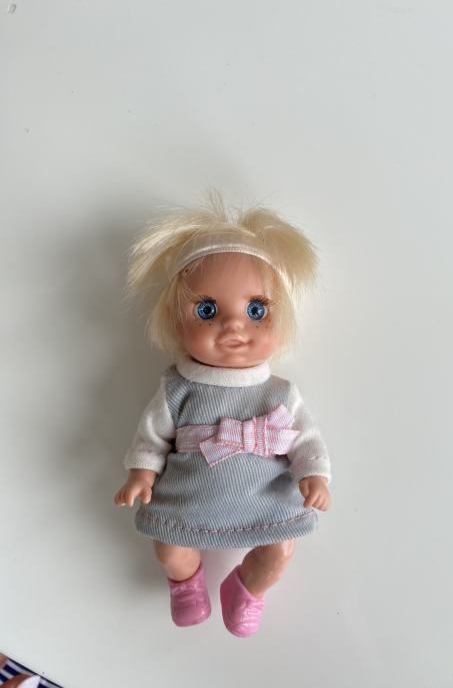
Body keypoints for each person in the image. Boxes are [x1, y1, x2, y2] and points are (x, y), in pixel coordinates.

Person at [114, 196, 332, 637]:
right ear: (177, 321)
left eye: (256, 310)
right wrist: (141, 473)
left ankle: (247, 588)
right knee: (170, 549)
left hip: (266, 499)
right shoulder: (178, 386)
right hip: (188, 500)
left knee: (280, 551)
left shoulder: (280, 393)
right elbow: (153, 435)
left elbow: (306, 440)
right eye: (208, 311)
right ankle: (185, 582)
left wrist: (315, 475)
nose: (234, 326)